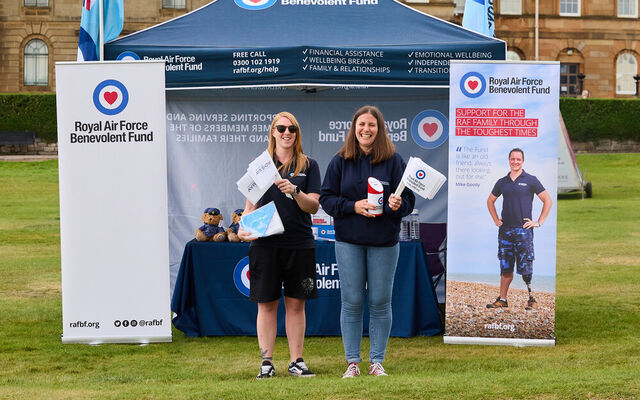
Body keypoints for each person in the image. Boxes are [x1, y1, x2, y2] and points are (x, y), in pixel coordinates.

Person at [319, 105, 415, 378]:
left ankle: (376, 362)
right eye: (362, 124)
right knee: (351, 301)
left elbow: (408, 201)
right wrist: (353, 206)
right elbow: (326, 199)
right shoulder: (340, 161)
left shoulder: (395, 161)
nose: (366, 129)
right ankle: (352, 362)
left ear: (380, 129)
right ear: (354, 128)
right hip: (349, 240)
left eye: (372, 125)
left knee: (381, 301)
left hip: (384, 242)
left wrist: (397, 204)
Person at [237, 111, 321, 379]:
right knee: (266, 304)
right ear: (273, 132)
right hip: (266, 245)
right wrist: (243, 227)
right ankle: (267, 363)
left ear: (297, 134)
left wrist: (295, 191)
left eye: (292, 128)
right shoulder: (260, 165)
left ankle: (297, 361)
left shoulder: (309, 165)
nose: (287, 133)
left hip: (300, 242)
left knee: (296, 305)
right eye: (281, 128)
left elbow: (314, 206)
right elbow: (249, 208)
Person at [486, 148, 552, 310]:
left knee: (526, 266)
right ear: (509, 160)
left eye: (518, 159)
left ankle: (532, 299)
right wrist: (496, 220)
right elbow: (490, 201)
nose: (515, 162)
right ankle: (502, 299)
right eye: (513, 159)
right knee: (505, 267)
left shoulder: (531, 180)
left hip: (524, 231)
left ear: (523, 161)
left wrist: (539, 222)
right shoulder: (502, 182)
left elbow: (547, 200)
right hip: (505, 232)